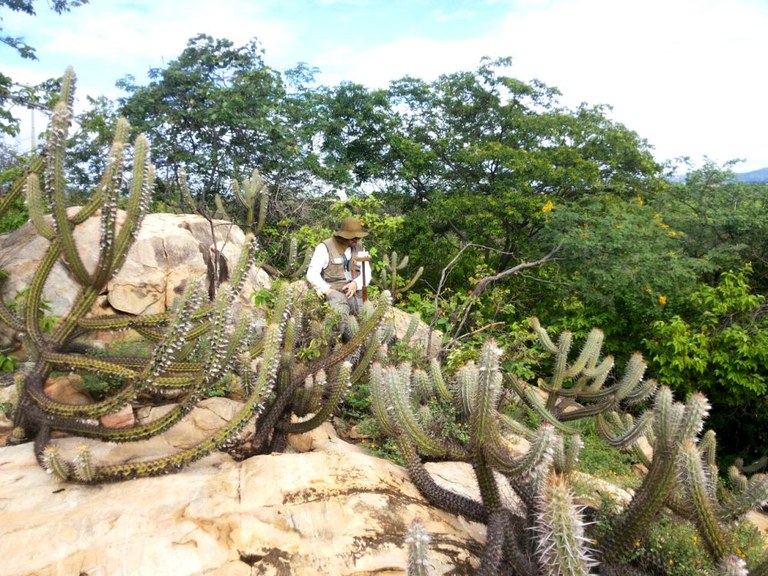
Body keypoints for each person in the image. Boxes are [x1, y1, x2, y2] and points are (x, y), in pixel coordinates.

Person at [306, 216, 372, 320]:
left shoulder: (359, 248)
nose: (357, 239)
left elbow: (366, 272)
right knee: (341, 317)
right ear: (343, 235)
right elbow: (312, 274)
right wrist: (327, 290)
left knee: (368, 316)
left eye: (358, 237)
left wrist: (356, 283)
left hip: (353, 292)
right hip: (333, 291)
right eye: (353, 237)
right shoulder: (324, 248)